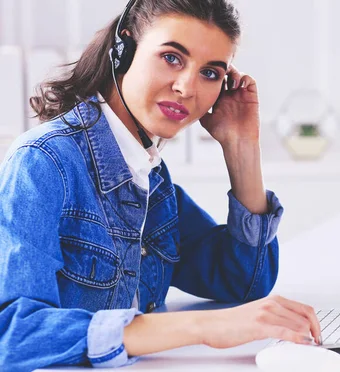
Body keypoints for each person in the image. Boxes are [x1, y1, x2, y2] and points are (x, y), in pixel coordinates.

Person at [0, 0, 322, 370]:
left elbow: (245, 282)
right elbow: (13, 334)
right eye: (171, 57)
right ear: (124, 48)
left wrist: (241, 147)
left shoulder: (150, 177)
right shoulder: (42, 162)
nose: (187, 87)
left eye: (211, 73)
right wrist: (200, 326)